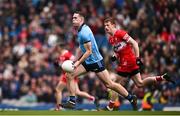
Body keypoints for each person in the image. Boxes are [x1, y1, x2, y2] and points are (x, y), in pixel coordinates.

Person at [61, 11, 138, 110]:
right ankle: (72, 101)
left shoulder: (84, 32)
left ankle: (131, 98)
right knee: (69, 75)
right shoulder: (80, 30)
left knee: (109, 84)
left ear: (81, 19)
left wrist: (77, 63)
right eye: (73, 18)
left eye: (75, 18)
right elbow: (82, 48)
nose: (73, 20)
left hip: (96, 61)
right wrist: (76, 58)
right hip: (88, 61)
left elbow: (89, 51)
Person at [103, 17, 175, 111]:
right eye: (105, 25)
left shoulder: (120, 33)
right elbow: (119, 49)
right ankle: (161, 77)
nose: (106, 27)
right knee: (139, 83)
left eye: (108, 25)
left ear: (113, 25)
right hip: (129, 62)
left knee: (113, 83)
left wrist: (138, 58)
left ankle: (111, 106)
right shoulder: (111, 39)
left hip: (128, 61)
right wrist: (115, 55)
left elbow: (135, 43)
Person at [54, 43, 96, 110]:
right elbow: (64, 65)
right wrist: (58, 64)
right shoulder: (61, 55)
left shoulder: (67, 54)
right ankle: (92, 98)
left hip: (68, 74)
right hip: (68, 74)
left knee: (58, 89)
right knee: (77, 92)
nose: (56, 49)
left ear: (60, 47)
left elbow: (73, 60)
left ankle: (58, 107)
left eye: (57, 47)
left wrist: (75, 69)